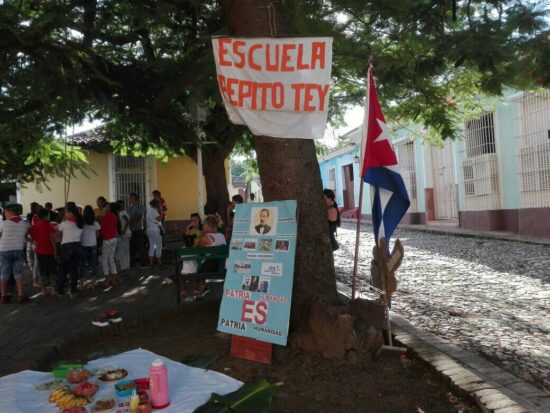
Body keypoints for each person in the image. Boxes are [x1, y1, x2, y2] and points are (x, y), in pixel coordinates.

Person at [0, 205, 29, 303]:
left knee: (4, 273)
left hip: (5, 249)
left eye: (6, 212)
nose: (5, 213)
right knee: (18, 272)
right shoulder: (24, 224)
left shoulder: (4, 223)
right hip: (18, 249)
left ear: (11, 212)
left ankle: (3, 295)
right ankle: (21, 294)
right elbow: (25, 236)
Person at [193, 215, 226, 297]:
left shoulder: (205, 238)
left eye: (204, 224)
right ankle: (202, 289)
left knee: (193, 263)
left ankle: (198, 292)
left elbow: (196, 249)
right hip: (221, 266)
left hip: (208, 268)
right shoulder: (222, 235)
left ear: (207, 226)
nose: (202, 226)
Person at [56, 204, 84, 298]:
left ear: (71, 213)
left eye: (66, 211)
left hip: (66, 247)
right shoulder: (80, 222)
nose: (64, 213)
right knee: (74, 271)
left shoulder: (64, 223)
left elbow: (58, 235)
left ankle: (59, 291)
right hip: (77, 246)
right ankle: (73, 292)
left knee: (63, 270)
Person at [29, 208, 57, 296]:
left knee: (42, 271)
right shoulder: (49, 226)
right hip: (50, 251)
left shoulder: (34, 226)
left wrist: (33, 241)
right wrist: (55, 250)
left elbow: (29, 236)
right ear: (45, 216)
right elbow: (53, 240)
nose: (49, 217)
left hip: (39, 251)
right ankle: (53, 289)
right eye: (48, 215)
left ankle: (43, 290)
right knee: (52, 270)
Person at [79, 205, 99, 289]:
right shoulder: (95, 223)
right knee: (93, 264)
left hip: (83, 245)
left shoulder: (81, 223)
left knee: (82, 265)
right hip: (93, 245)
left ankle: (81, 284)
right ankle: (93, 284)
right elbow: (97, 234)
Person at [101, 202, 120, 287]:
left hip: (107, 239)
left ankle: (107, 280)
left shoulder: (105, 217)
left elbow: (102, 228)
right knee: (111, 259)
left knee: (105, 260)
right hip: (114, 238)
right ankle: (114, 279)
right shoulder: (114, 216)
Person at [127, 192, 147, 268]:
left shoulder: (141, 207)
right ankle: (132, 263)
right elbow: (127, 218)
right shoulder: (129, 208)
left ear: (135, 199)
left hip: (139, 230)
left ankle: (143, 263)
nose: (129, 199)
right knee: (131, 248)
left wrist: (130, 222)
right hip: (131, 230)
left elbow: (137, 217)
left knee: (141, 247)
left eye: (131, 198)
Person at [146, 199, 163, 267]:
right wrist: (161, 212)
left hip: (149, 230)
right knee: (159, 246)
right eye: (159, 203)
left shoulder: (149, 210)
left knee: (152, 246)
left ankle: (151, 263)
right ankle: (159, 263)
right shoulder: (154, 210)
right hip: (155, 230)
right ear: (157, 204)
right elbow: (159, 219)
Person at [116, 200, 131, 273]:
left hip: (124, 233)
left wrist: (124, 231)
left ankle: (124, 267)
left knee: (122, 251)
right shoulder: (123, 212)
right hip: (126, 233)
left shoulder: (122, 212)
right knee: (125, 251)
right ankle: (126, 267)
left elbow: (128, 221)